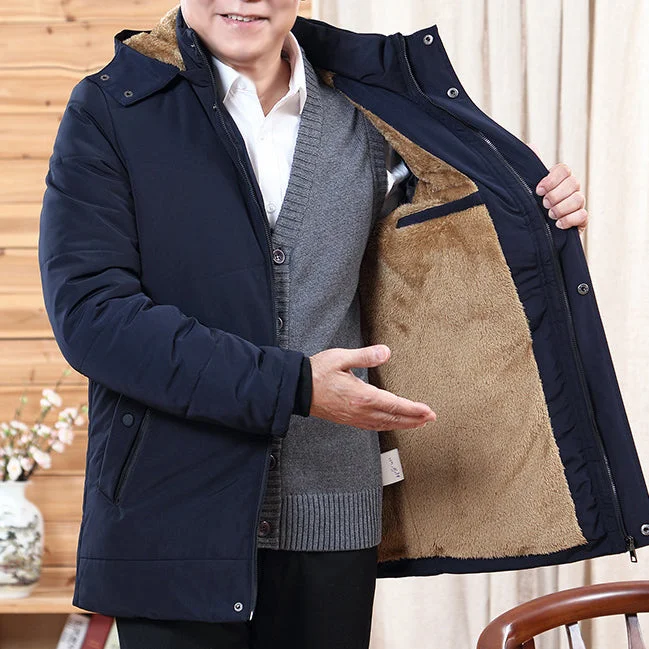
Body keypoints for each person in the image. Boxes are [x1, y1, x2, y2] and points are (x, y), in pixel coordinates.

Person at [38, 1, 589, 648]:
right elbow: (93, 317)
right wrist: (295, 386)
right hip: (172, 521)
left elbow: (450, 253)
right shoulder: (111, 108)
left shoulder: (372, 107)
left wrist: (542, 219)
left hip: (332, 520)